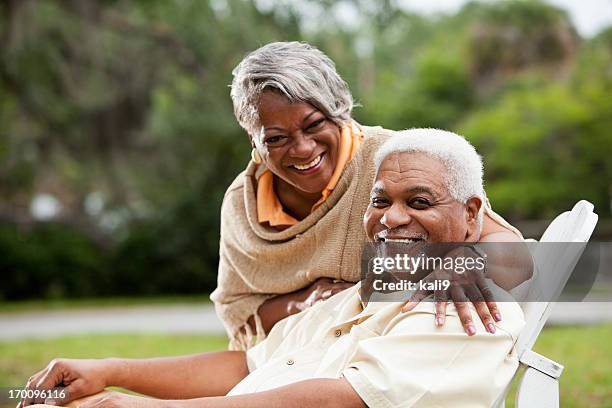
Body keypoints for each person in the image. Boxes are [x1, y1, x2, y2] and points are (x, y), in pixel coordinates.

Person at [21, 129, 525, 408]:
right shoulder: (362, 295)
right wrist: (110, 372)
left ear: (474, 214)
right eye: (379, 200)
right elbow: (248, 366)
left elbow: (340, 402)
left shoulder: (465, 304)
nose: (392, 219)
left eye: (419, 200)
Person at [211, 41, 531, 349]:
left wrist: (468, 260)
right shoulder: (243, 202)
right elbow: (239, 309)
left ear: (340, 111)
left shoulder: (397, 163)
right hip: (293, 360)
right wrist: (314, 303)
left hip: (393, 353)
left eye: (314, 125)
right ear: (254, 141)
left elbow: (514, 255)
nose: (303, 148)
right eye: (276, 138)